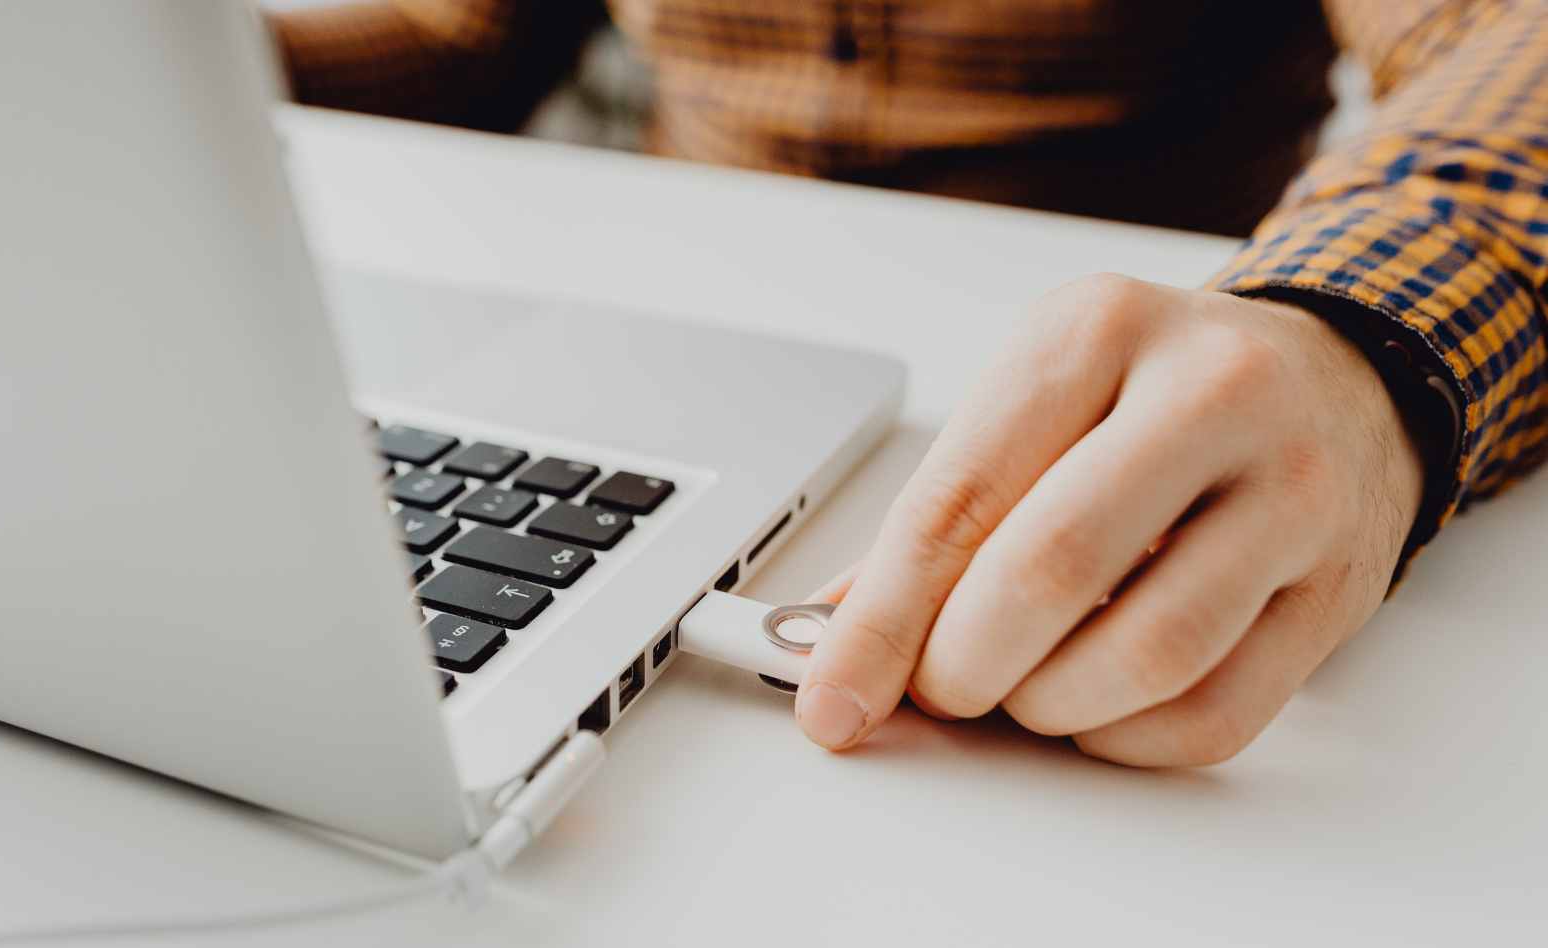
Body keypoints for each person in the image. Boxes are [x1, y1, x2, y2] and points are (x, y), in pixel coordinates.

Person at [268, 1, 1548, 765]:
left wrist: (1359, 333)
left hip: (1117, 446)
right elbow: (466, 35)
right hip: (649, 351)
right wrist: (171, 60)